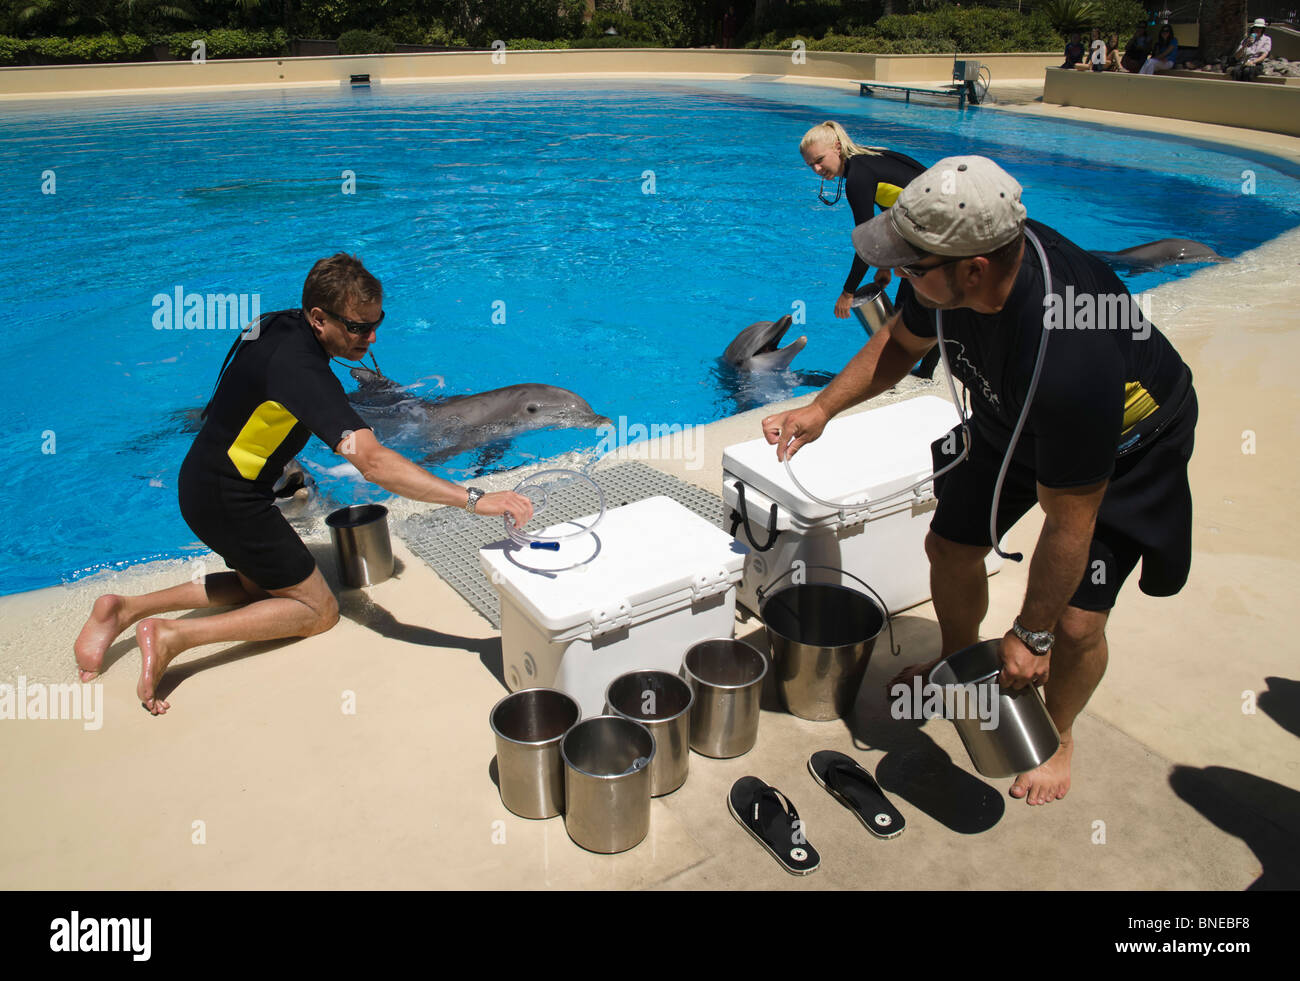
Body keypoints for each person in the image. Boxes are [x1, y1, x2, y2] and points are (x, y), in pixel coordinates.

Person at [762, 157, 1198, 805]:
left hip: (1127, 443)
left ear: (974, 270)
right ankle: (960, 664)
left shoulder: (1070, 354)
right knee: (950, 546)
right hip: (1008, 412)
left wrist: (1033, 632)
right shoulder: (949, 261)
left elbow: (1069, 519)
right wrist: (821, 408)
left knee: (1077, 624)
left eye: (911, 268)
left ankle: (1061, 732)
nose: (901, 276)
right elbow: (902, 344)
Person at [74, 254, 535, 714]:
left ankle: (126, 609)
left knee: (262, 589)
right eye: (357, 327)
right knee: (318, 612)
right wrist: (475, 498)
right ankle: (174, 636)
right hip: (230, 501)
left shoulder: (276, 324)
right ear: (318, 317)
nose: (370, 337)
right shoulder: (301, 371)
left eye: (377, 323)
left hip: (202, 479)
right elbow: (373, 463)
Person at [798, 120, 927, 321]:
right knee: (908, 316)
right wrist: (885, 265)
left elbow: (867, 243)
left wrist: (848, 292)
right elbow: (894, 209)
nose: (817, 169)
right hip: (939, 230)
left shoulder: (858, 178)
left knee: (903, 320)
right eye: (811, 165)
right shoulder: (869, 158)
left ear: (837, 147)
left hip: (940, 239)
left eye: (820, 159)